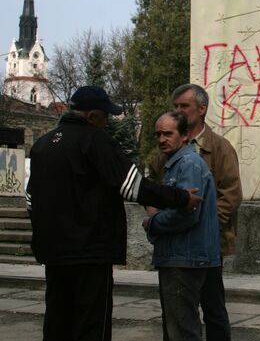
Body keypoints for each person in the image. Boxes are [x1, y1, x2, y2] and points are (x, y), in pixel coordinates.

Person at [26, 86, 202, 341]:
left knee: (57, 321)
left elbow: (31, 200)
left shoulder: (43, 145)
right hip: (90, 253)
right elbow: (133, 186)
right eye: (105, 116)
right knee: (91, 326)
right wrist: (181, 198)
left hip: (54, 254)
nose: (107, 122)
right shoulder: (95, 140)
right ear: (93, 116)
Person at [150, 83, 242, 341]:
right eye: (175, 106)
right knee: (177, 313)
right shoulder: (167, 148)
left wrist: (207, 226)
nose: (179, 110)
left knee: (212, 308)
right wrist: (156, 214)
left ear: (201, 109)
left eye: (184, 106)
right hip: (176, 243)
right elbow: (154, 188)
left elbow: (231, 194)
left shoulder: (220, 148)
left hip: (209, 244)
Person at [143, 112, 221, 341]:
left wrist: (153, 222)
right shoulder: (177, 164)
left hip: (184, 258)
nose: (161, 139)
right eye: (158, 134)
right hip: (181, 256)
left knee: (183, 331)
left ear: (185, 135)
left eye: (168, 133)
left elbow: (187, 215)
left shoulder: (187, 164)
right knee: (178, 328)